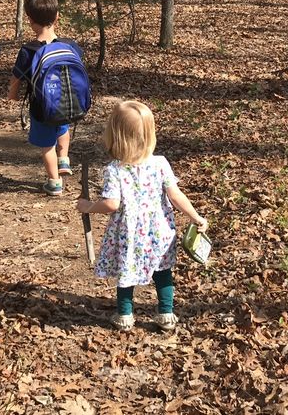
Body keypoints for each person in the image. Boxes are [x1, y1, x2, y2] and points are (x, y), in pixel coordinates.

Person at [76, 101, 208, 332]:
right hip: (159, 232)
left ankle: (125, 315)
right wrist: (195, 217)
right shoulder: (160, 163)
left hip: (130, 235)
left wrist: (88, 206)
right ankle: (166, 313)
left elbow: (111, 204)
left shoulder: (115, 170)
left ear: (115, 136)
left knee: (127, 271)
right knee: (162, 272)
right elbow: (175, 196)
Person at [8, 0, 81, 196]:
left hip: (41, 107)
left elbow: (16, 78)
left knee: (47, 146)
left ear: (30, 20)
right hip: (67, 102)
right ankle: (64, 159)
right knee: (62, 130)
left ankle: (54, 182)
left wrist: (12, 95)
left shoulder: (29, 50)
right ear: (57, 17)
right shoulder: (71, 46)